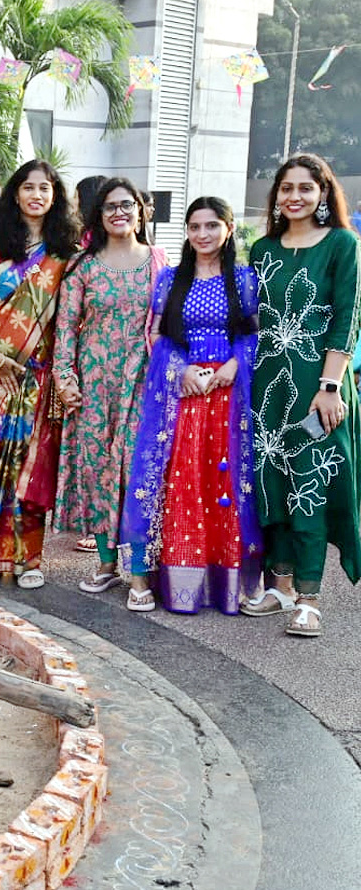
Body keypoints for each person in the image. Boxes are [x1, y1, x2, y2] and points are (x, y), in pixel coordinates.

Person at [122, 197, 261, 614]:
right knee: (179, 480)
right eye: (195, 226)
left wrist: (237, 364)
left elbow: (256, 335)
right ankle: (167, 576)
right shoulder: (170, 279)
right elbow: (162, 338)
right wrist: (180, 370)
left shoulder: (244, 279)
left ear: (229, 229)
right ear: (186, 232)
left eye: (212, 226)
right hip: (183, 393)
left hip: (229, 395)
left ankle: (227, 584)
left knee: (225, 484)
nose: (203, 234)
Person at [241, 153, 361, 637]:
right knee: (271, 480)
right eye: (286, 188)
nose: (294, 197)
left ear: (323, 194)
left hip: (318, 384)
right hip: (268, 382)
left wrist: (330, 386)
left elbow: (346, 316)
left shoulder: (342, 244)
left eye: (305, 188)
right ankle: (281, 585)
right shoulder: (263, 248)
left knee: (310, 484)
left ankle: (309, 597)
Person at [0, 160, 79, 587]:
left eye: (45, 188)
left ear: (55, 196)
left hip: (38, 371)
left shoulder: (65, 247)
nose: (37, 195)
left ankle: (28, 558)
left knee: (32, 462)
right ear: (15, 193)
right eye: (28, 187)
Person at [54, 178, 168, 594]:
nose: (119, 212)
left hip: (142, 380)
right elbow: (65, 326)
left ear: (141, 210)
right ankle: (106, 564)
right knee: (98, 469)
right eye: (110, 207)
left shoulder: (158, 260)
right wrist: (64, 378)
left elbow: (168, 323)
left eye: (127, 204)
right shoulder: (83, 265)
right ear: (98, 216)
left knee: (138, 469)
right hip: (93, 384)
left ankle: (139, 569)